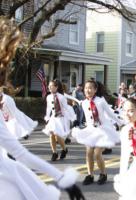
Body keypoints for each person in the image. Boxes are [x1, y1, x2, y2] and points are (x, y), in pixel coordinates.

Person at [0, 16, 84, 200]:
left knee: (56, 135)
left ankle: (61, 149)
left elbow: (20, 152)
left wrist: (62, 178)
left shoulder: (60, 96)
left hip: (4, 182)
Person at [72, 79, 123, 185]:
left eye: (90, 88)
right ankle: (90, 175)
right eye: (86, 88)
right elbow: (83, 117)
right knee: (89, 153)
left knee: (97, 153)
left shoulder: (100, 100)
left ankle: (103, 174)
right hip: (91, 130)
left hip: (102, 129)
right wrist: (77, 122)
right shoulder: (84, 103)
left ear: (95, 90)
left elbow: (110, 114)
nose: (88, 90)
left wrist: (120, 122)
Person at [43, 80, 75, 161]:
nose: (49, 87)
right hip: (53, 118)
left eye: (51, 86)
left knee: (57, 135)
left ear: (56, 87)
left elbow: (67, 108)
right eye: (49, 86)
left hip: (62, 118)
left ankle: (64, 149)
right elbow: (48, 108)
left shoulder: (61, 97)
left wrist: (73, 118)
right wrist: (47, 117)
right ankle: (54, 152)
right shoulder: (48, 97)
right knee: (51, 134)